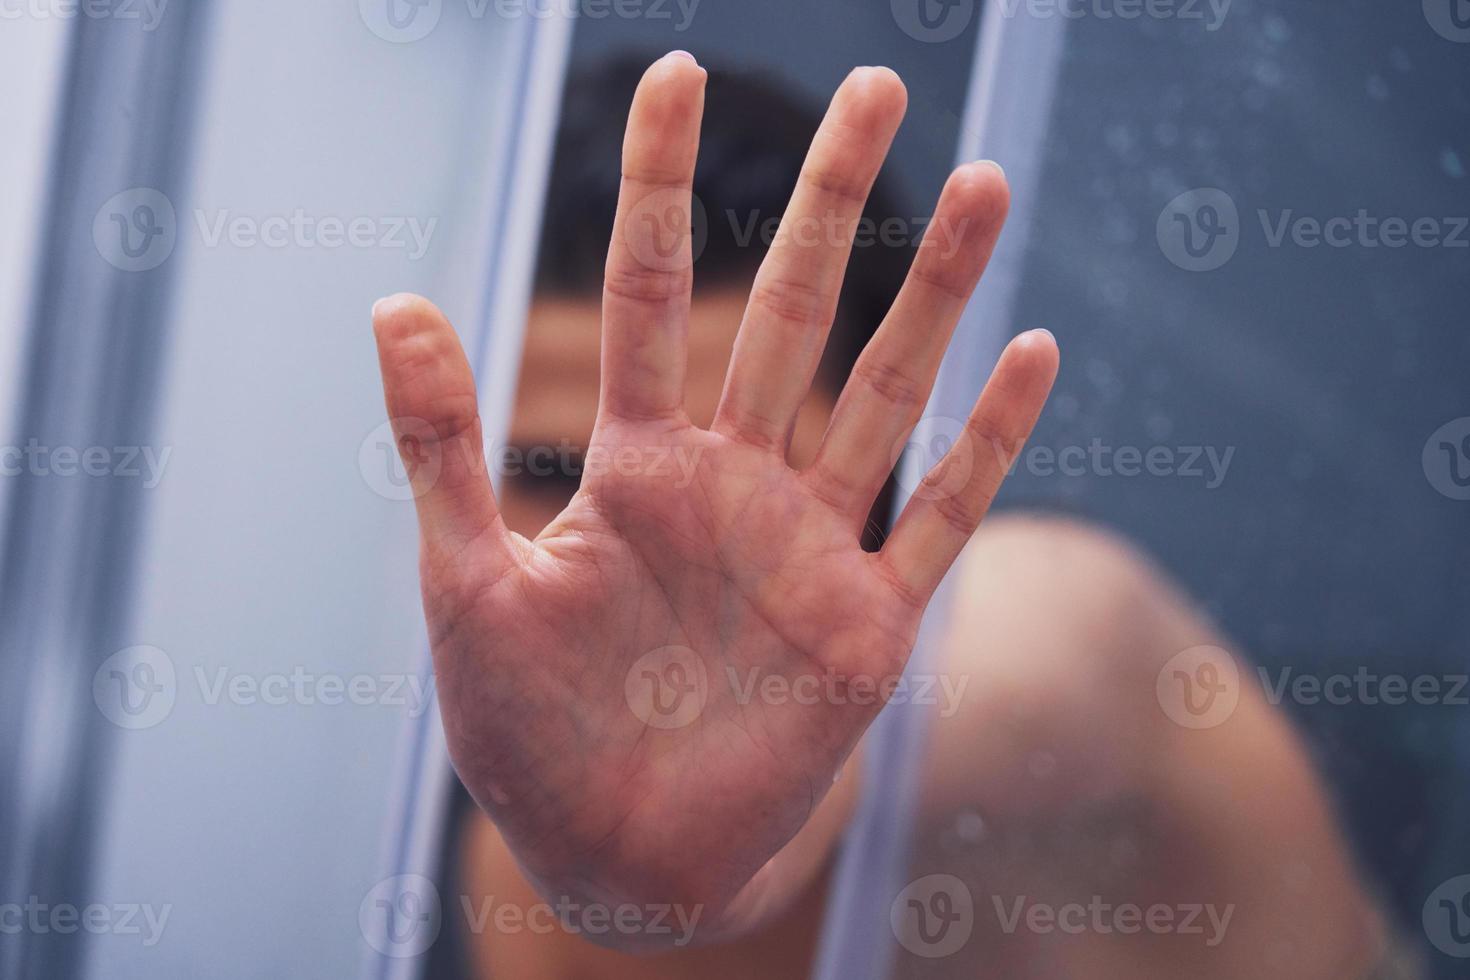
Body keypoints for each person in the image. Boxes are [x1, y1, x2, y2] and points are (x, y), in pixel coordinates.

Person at [372, 52, 1416, 979]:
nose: (617, 550)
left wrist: (722, 860)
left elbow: (998, 678)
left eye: (729, 481)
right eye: (547, 467)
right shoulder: (533, 867)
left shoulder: (1062, 636)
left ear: (871, 462)